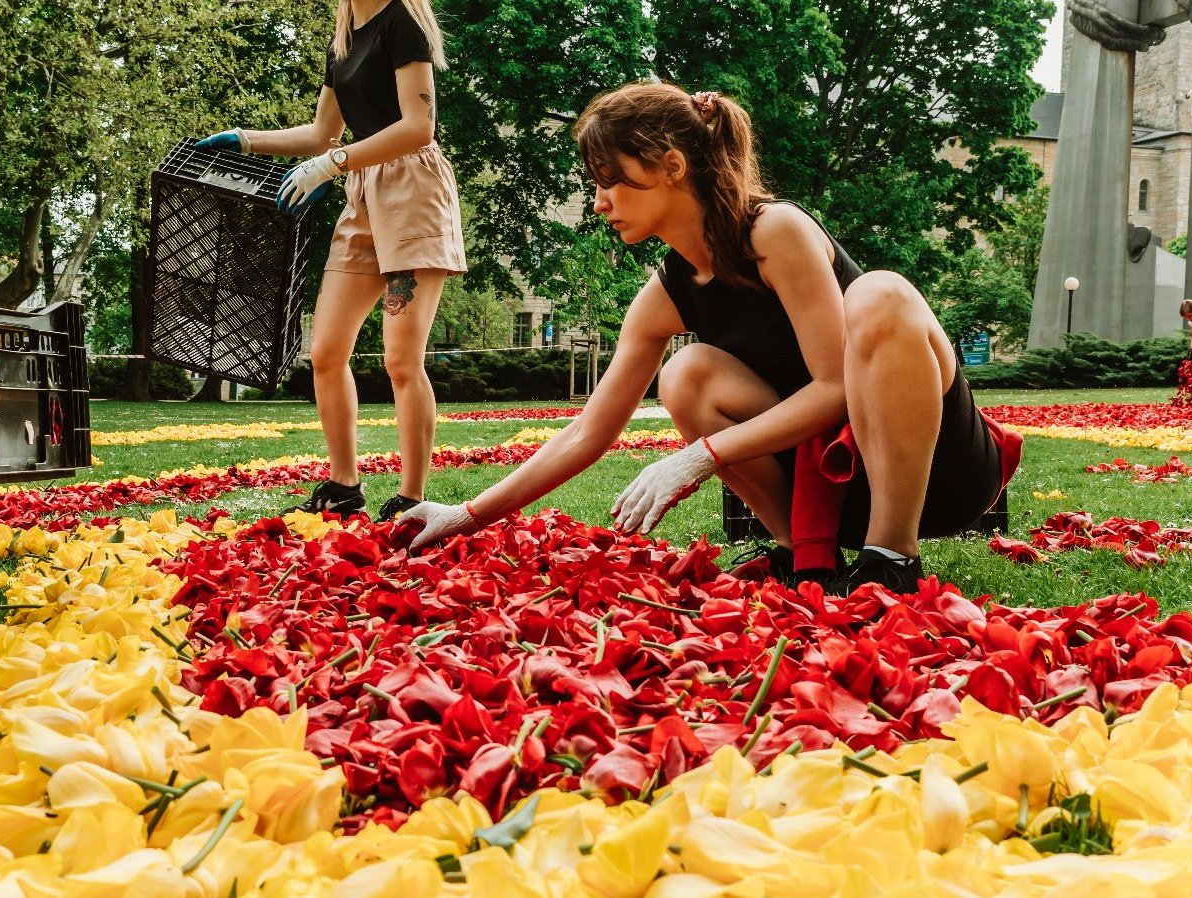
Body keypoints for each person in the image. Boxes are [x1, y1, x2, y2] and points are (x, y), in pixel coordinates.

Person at [400, 82, 1019, 594]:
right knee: (686, 372)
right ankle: (804, 554)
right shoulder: (668, 291)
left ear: (672, 165)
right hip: (827, 489)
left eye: (610, 179)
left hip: (934, 475)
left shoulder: (774, 231)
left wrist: (701, 456)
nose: (598, 203)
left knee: (880, 293)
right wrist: (466, 515)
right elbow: (590, 430)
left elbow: (836, 389)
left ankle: (890, 561)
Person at [198, 0, 464, 521]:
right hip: (362, 195)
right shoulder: (344, 35)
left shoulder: (402, 24)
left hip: (413, 192)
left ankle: (412, 497)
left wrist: (330, 164)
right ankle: (344, 486)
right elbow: (322, 133)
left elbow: (418, 127)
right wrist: (246, 140)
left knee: (401, 360)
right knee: (325, 351)